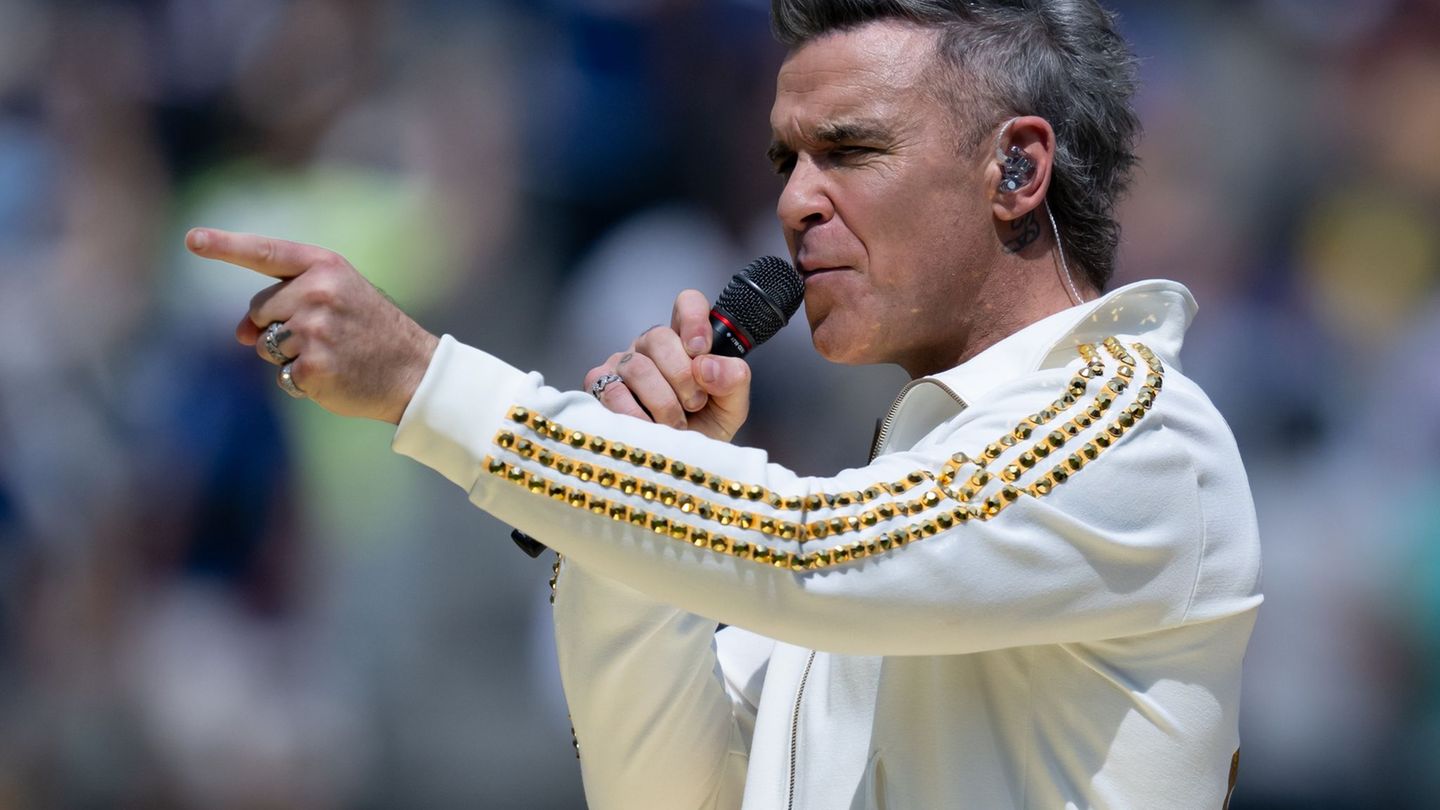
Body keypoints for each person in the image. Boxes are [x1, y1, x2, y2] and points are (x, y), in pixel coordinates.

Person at [186, 1, 1263, 807]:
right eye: (786, 158)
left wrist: (430, 383)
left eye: (850, 150)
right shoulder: (894, 499)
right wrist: (617, 511)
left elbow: (804, 550)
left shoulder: (1134, 425)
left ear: (1017, 170)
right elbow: (666, 792)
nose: (795, 201)